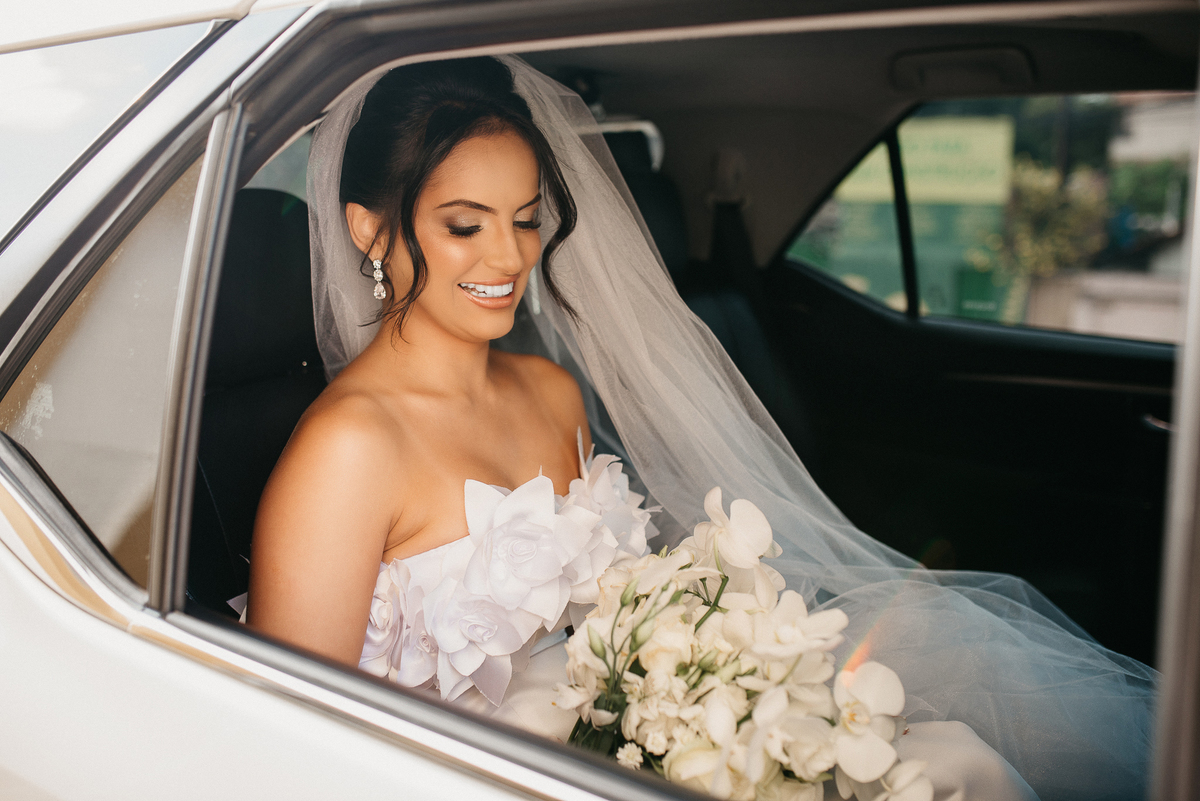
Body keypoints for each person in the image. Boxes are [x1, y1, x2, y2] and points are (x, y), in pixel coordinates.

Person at [247, 56, 1154, 801]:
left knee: (947, 761)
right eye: (463, 225)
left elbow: (609, 613)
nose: (511, 254)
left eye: (525, 219)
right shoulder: (348, 453)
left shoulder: (552, 391)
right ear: (370, 231)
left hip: (634, 739)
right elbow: (284, 746)